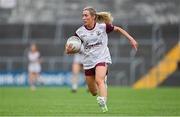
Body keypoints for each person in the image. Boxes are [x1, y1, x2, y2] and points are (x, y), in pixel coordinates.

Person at [65, 7, 138, 112]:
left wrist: (131, 39)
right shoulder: (80, 32)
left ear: (93, 17)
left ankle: (103, 102)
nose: (83, 18)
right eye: (83, 15)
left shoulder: (103, 27)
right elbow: (70, 48)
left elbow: (118, 29)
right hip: (88, 61)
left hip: (101, 58)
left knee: (100, 80)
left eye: (86, 15)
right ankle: (101, 88)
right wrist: (68, 50)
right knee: (93, 92)